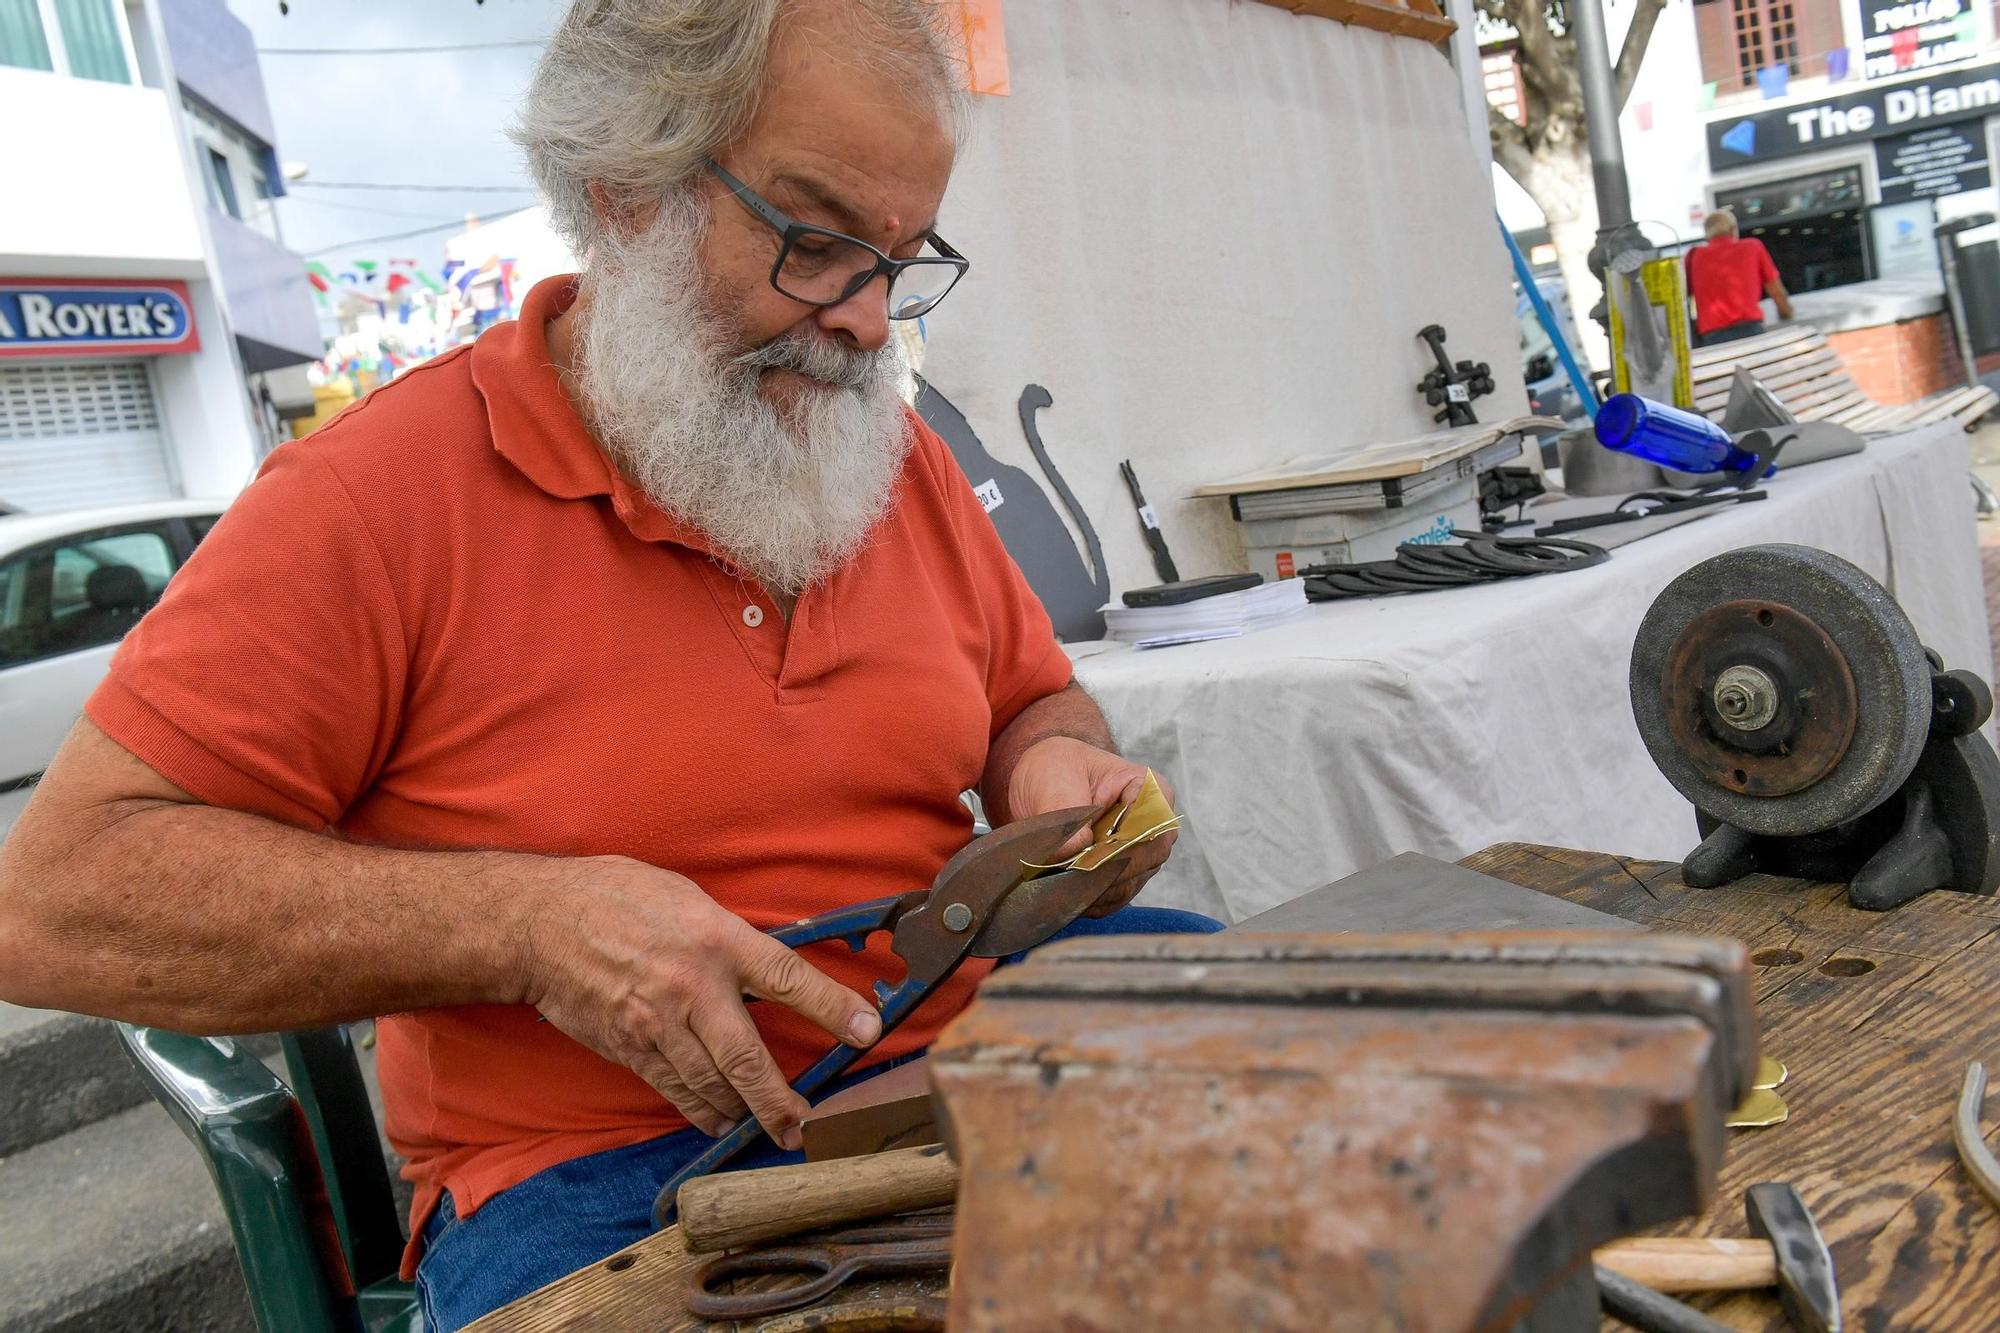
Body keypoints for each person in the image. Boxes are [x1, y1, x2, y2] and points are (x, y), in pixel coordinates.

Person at [0, 1, 1220, 1325]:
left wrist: (1054, 755)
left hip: (966, 1052)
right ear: (624, 187)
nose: (870, 323)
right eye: (817, 242)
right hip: (597, 1171)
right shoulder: (372, 502)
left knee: (1369, 1123)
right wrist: (527, 925)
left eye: (901, 257)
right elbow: (52, 901)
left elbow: (1032, 693)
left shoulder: (889, 456)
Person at [1684, 208, 1793, 347]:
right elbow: (1776, 291)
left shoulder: (1693, 256)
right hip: (1750, 330)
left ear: (1707, 235)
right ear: (1733, 229)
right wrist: (1787, 314)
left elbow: (1684, 296)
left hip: (1713, 337)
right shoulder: (1753, 247)